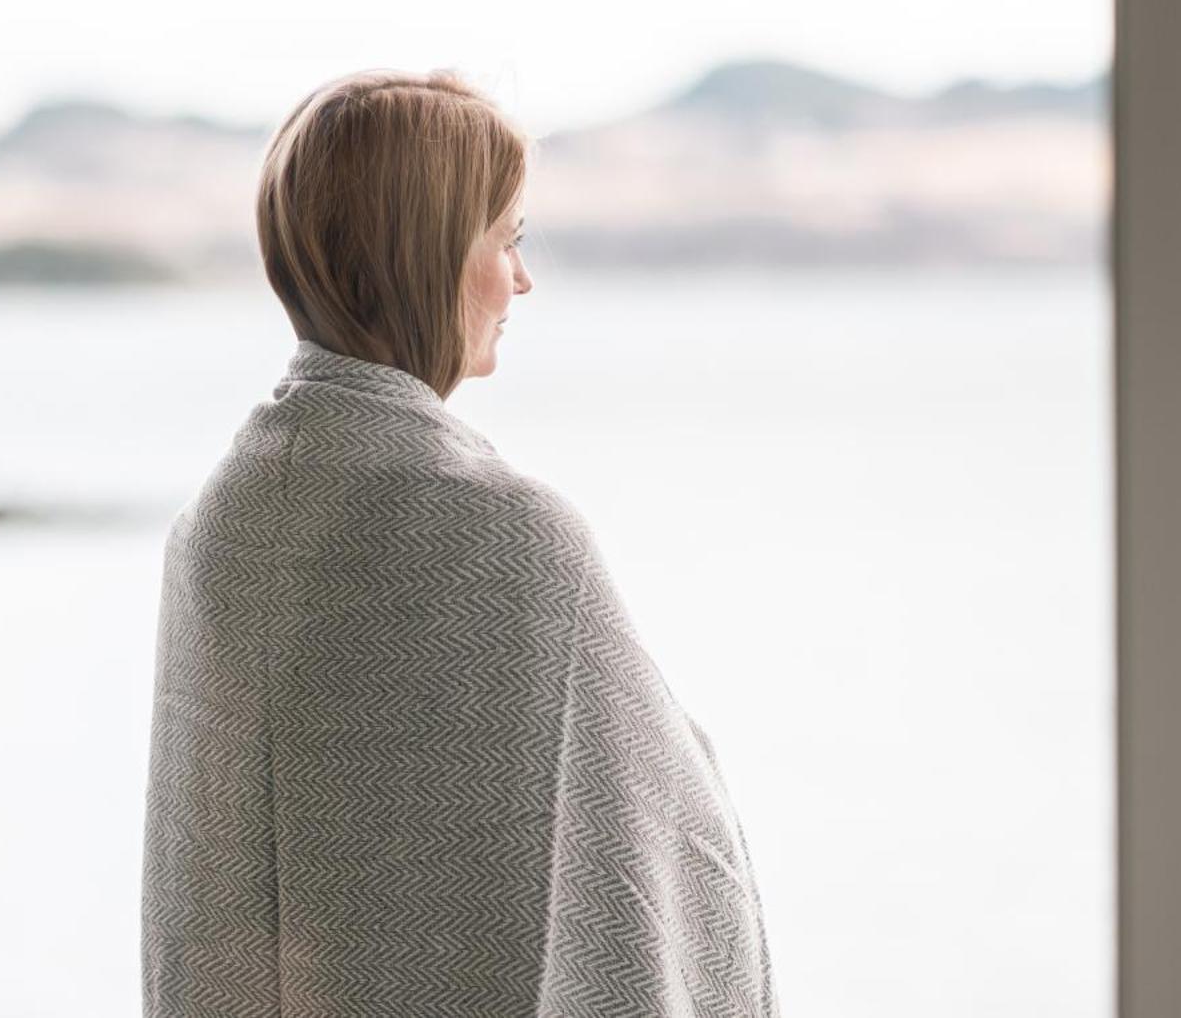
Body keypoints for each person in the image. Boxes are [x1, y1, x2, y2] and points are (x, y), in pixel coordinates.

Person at [139, 69, 779, 1017]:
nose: (522, 277)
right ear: (427, 252)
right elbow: (654, 854)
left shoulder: (220, 521)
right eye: (506, 240)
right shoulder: (512, 535)